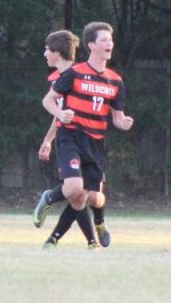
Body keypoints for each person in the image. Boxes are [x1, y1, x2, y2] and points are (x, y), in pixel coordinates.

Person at [40, 21, 134, 249]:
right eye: (104, 40)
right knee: (74, 189)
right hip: (71, 137)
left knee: (92, 197)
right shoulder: (74, 73)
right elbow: (48, 101)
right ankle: (49, 204)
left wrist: (123, 122)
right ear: (91, 45)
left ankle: (98, 223)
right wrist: (60, 117)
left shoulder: (115, 80)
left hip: (96, 141)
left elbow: (117, 117)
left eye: (110, 40)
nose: (109, 44)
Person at [29, 30, 112, 247]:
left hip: (91, 142)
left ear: (58, 52)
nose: (45, 53)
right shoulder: (58, 78)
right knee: (79, 193)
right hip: (71, 140)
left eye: (48, 49)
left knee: (90, 196)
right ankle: (81, 241)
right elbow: (61, 116)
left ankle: (95, 230)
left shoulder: (79, 75)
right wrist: (48, 140)